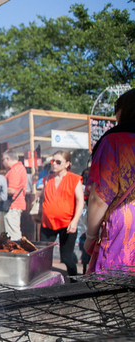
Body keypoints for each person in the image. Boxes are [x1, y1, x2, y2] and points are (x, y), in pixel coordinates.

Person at [85, 89, 135, 272]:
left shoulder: (114, 140)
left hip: (125, 229)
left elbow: (100, 198)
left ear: (125, 110)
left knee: (115, 292)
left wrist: (90, 237)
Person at [39, 151, 84, 278]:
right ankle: (44, 282)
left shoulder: (74, 179)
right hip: (47, 223)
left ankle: (74, 281)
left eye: (58, 162)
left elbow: (80, 201)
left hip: (67, 224)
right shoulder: (47, 178)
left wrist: (75, 221)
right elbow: (43, 198)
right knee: (43, 256)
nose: (54, 164)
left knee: (66, 257)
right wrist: (37, 213)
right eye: (53, 161)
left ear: (67, 164)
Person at [0, 149, 28, 241]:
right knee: (10, 233)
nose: (2, 162)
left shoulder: (14, 170)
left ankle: (16, 253)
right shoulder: (18, 168)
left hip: (12, 206)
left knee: (13, 235)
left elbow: (12, 190)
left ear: (7, 159)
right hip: (13, 206)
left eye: (2, 160)